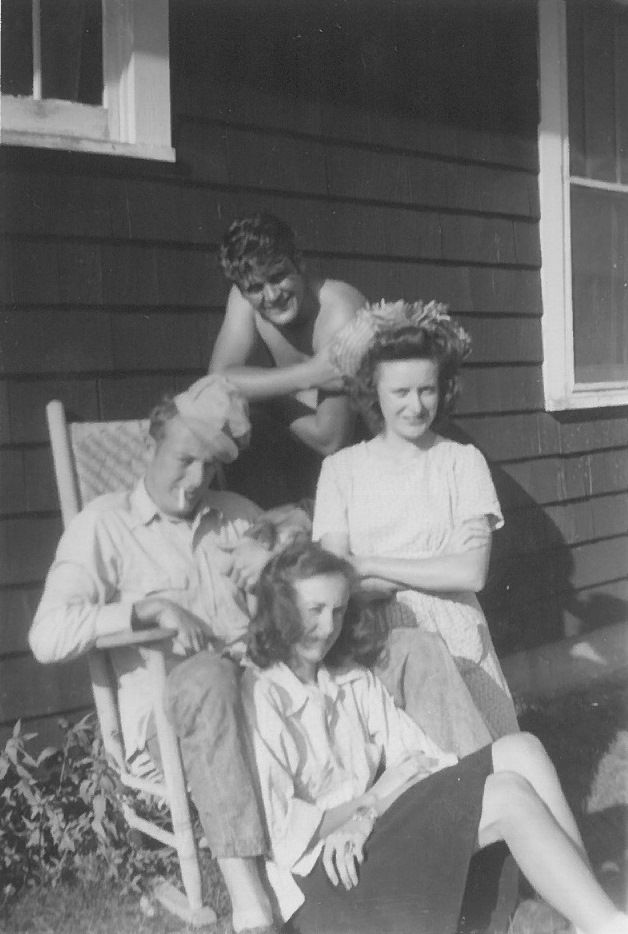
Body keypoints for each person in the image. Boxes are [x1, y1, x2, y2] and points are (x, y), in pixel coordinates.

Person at [242, 542, 628, 934]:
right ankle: (603, 923)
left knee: (521, 749)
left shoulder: (348, 676)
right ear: (281, 609)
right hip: (325, 878)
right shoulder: (262, 696)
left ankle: (587, 913)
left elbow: (422, 758)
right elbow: (286, 835)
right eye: (315, 610)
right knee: (507, 794)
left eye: (338, 610)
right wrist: (369, 803)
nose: (329, 627)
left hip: (368, 834)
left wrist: (369, 812)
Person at [29, 375, 282, 934]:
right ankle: (250, 902)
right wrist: (146, 610)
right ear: (150, 445)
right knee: (209, 678)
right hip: (170, 725)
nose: (195, 482)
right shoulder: (105, 525)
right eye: (184, 460)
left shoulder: (238, 515)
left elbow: (304, 577)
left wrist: (276, 549)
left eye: (208, 467)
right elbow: (46, 635)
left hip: (261, 696)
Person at [313, 300, 519, 741]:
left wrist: (368, 564)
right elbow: (337, 580)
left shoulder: (462, 462)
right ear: (374, 391)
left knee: (492, 759)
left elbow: (471, 574)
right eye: (400, 392)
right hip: (375, 639)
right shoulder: (340, 471)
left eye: (427, 390)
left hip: (458, 637)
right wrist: (437, 564)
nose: (416, 406)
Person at [209, 213, 366, 458]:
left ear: (299, 263)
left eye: (278, 277)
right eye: (255, 288)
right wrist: (310, 375)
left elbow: (330, 440)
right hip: (300, 443)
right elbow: (217, 382)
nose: (272, 296)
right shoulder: (243, 296)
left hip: (362, 455)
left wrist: (256, 393)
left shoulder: (339, 311)